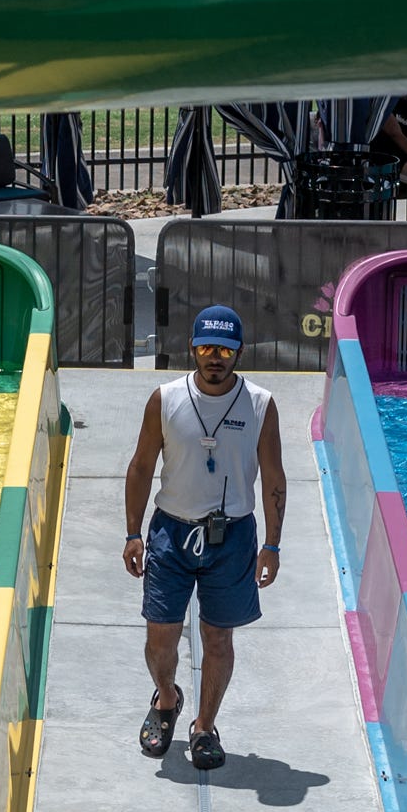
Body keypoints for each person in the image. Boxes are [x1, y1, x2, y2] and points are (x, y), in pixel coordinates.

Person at [123, 304, 284, 772]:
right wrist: (133, 533)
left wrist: (272, 544)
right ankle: (168, 698)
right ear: (192, 348)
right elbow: (140, 467)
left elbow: (274, 476)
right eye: (207, 347)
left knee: (218, 639)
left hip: (232, 538)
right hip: (172, 533)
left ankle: (204, 726)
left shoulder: (259, 404)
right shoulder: (165, 398)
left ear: (239, 352)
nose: (216, 357)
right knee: (161, 638)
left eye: (225, 349)